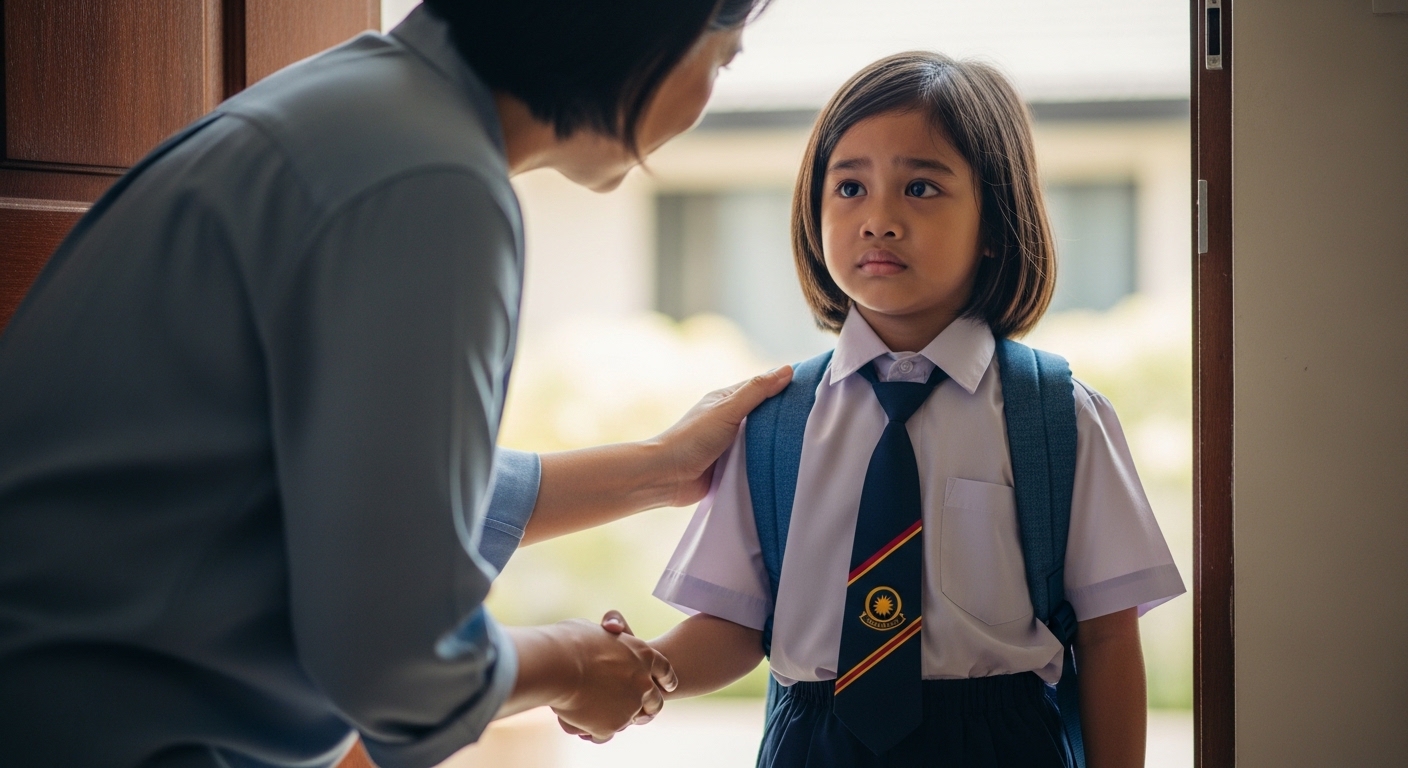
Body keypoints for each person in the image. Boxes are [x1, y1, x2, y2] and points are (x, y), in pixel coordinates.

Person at [0, 2, 782, 767]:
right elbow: (397, 661)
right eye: (723, 57)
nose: (708, 99)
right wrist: (573, 665)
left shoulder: (360, 110)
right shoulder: (432, 183)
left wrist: (660, 469)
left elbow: (340, 488)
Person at [647, 52, 1186, 768]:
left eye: (922, 187)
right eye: (849, 187)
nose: (878, 219)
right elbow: (734, 626)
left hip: (1000, 740)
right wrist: (640, 671)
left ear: (995, 222)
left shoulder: (1058, 418)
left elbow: (1110, 638)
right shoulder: (773, 423)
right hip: (815, 741)